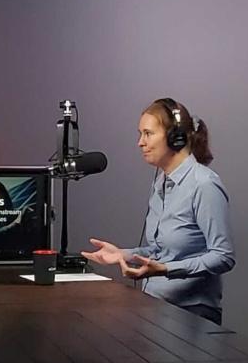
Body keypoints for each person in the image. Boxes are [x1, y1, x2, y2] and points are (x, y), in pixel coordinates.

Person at [82, 97, 235, 325]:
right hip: (156, 308)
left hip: (193, 316)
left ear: (175, 138)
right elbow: (161, 249)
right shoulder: (161, 183)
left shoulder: (204, 185)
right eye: (139, 134)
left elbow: (223, 256)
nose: (140, 143)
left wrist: (166, 270)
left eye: (147, 133)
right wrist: (122, 254)